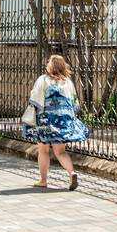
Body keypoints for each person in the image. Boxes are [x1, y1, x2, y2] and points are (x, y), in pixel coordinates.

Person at [22, 54, 88, 190]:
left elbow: (35, 99)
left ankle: (43, 180)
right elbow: (75, 104)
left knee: (43, 150)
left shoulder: (43, 80)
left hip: (46, 121)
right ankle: (72, 173)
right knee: (60, 152)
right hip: (63, 121)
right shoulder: (67, 82)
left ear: (50, 66)